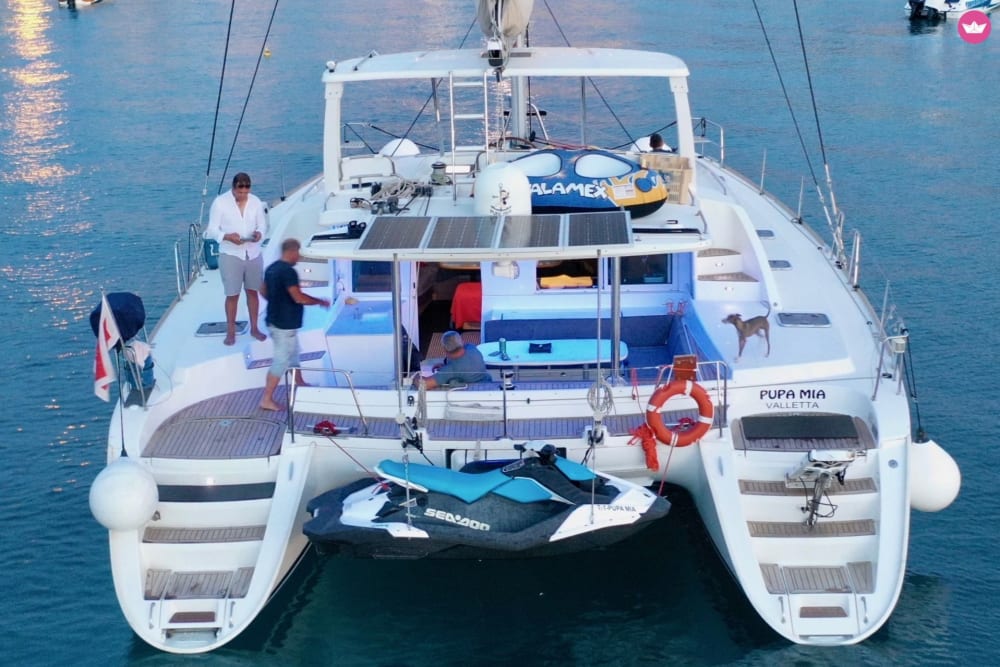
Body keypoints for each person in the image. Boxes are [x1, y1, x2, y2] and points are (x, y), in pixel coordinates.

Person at [259, 238, 330, 411]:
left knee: (293, 355)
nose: (299, 257)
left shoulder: (272, 268)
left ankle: (300, 383)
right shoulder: (288, 272)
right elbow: (298, 297)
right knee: (282, 361)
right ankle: (266, 399)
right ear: (291, 252)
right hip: (284, 325)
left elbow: (262, 290)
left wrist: (276, 302)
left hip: (276, 321)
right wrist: (320, 302)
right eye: (298, 253)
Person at [206, 172, 268, 345]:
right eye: (239, 193)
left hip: (253, 252)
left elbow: (262, 225)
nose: (242, 196)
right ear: (233, 189)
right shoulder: (220, 203)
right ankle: (231, 331)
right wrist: (227, 236)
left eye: (245, 193)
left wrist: (259, 234)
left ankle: (255, 328)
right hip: (231, 254)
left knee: (252, 292)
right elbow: (212, 229)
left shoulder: (255, 201)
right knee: (232, 294)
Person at [419, 331, 491, 389]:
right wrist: (444, 366)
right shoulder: (471, 347)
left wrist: (413, 378)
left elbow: (425, 384)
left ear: (444, 349)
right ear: (461, 342)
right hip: (487, 383)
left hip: (470, 391)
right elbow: (464, 364)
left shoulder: (450, 369)